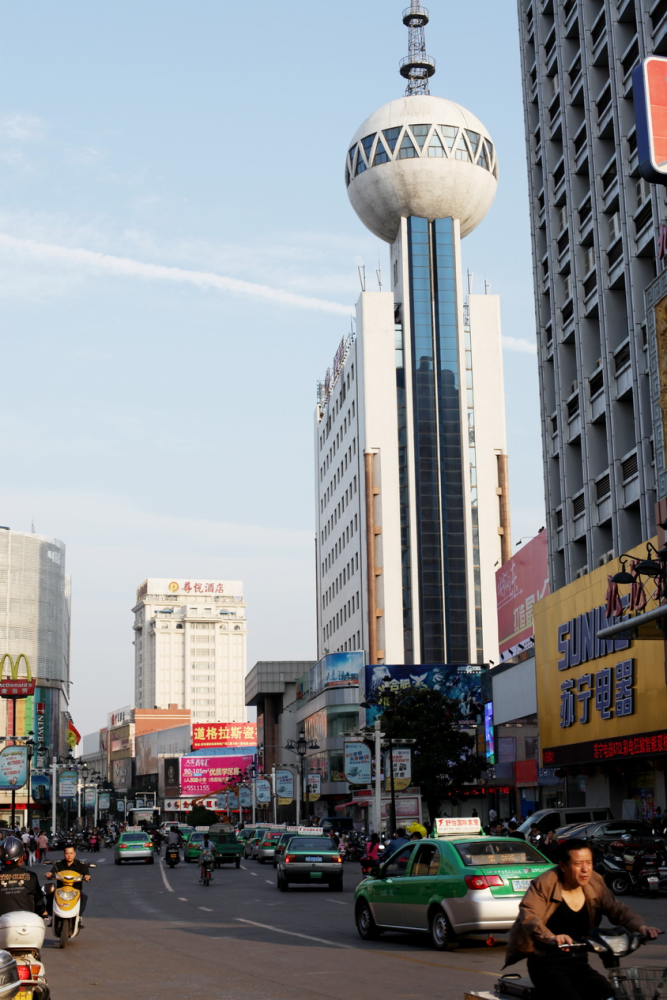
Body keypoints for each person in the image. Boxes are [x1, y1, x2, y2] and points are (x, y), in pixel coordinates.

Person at [505, 838, 661, 1000]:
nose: (585, 869)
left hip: (579, 964)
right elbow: (530, 916)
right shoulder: (544, 884)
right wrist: (551, 937)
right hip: (547, 964)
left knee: (611, 995)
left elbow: (617, 909)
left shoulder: (595, 882)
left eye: (589, 862)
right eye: (578, 864)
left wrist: (641, 927)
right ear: (563, 866)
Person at [0, 837, 47, 918]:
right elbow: (38, 901)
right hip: (27, 923)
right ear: (21, 858)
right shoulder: (31, 876)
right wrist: (43, 911)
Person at [45, 845, 91, 925]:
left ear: (75, 854)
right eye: (67, 853)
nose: (69, 855)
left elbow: (86, 874)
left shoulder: (81, 865)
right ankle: (52, 916)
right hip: (60, 890)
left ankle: (79, 917)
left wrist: (87, 876)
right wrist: (49, 874)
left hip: (76, 890)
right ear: (64, 854)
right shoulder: (59, 864)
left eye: (71, 853)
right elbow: (52, 872)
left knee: (84, 897)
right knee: (49, 896)